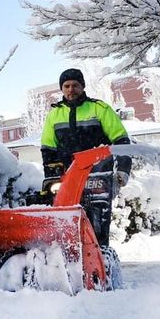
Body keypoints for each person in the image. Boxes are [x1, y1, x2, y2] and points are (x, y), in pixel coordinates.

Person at [40, 68, 132, 246]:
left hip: (97, 174)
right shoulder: (54, 115)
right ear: (62, 88)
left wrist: (123, 169)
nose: (70, 89)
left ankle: (100, 254)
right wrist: (51, 175)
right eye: (66, 86)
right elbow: (48, 149)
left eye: (75, 85)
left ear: (82, 86)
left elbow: (120, 140)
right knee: (64, 217)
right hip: (67, 177)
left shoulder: (100, 108)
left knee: (97, 220)